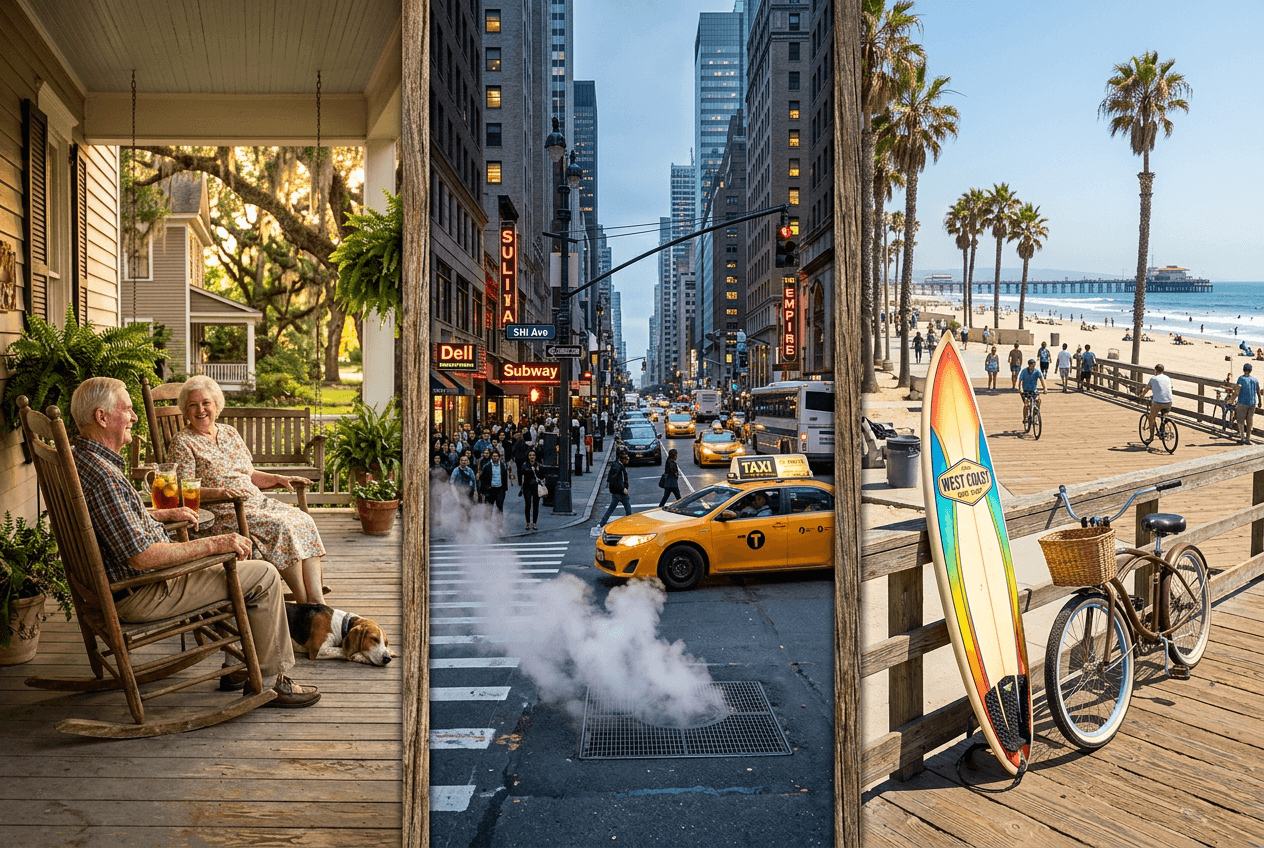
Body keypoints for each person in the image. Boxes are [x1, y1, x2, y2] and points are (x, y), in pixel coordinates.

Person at [69, 377, 319, 707]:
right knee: (263, 575)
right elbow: (143, 556)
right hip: (145, 589)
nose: (134, 417)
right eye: (127, 409)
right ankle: (272, 681)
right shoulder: (106, 477)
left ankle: (240, 665)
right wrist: (216, 544)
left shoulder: (83, 461)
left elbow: (114, 520)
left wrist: (158, 514)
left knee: (244, 566)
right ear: (102, 417)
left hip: (120, 585)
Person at [168, 375, 327, 606]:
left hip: (256, 502)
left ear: (216, 405)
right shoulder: (183, 442)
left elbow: (249, 474)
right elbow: (184, 490)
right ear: (185, 410)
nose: (200, 410)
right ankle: (305, 606)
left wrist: (278, 479)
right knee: (281, 526)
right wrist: (222, 493)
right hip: (222, 513)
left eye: (205, 403)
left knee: (303, 520)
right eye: (193, 405)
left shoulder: (229, 432)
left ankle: (317, 601)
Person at [1138, 363, 1174, 437]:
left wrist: (1141, 395)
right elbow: (1170, 388)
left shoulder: (1153, 378)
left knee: (1151, 417)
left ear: (1156, 371)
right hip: (1169, 402)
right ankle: (1162, 429)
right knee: (1164, 415)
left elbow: (1146, 389)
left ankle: (1151, 437)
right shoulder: (1168, 378)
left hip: (1158, 402)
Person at [599, 450, 632, 526]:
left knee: (612, 508)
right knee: (627, 507)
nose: (627, 461)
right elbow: (617, 479)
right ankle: (630, 521)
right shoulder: (618, 467)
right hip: (620, 492)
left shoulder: (617, 465)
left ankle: (603, 522)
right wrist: (623, 488)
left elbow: (612, 478)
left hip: (617, 491)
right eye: (626, 459)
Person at [478, 449, 513, 518]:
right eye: (494, 456)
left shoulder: (503, 466)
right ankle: (487, 523)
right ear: (491, 457)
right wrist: (484, 490)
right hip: (490, 490)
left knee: (500, 508)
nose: (495, 457)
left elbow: (504, 477)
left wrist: (504, 489)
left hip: (500, 489)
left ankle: (499, 523)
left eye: (496, 456)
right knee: (488, 509)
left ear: (499, 457)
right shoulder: (486, 466)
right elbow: (483, 479)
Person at [1235, 362, 1260, 445]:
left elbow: (1237, 390)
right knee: (1250, 421)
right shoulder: (1254, 379)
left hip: (1242, 402)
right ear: (1250, 370)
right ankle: (1248, 438)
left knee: (1240, 420)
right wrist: (1260, 401)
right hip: (1252, 403)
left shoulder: (1241, 379)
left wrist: (1232, 399)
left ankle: (1242, 437)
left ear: (1243, 370)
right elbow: (1258, 391)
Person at [519, 449, 545, 531]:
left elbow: (542, 475)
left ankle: (534, 523)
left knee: (536, 505)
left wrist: (536, 470)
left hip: (536, 487)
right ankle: (528, 522)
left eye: (533, 455)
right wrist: (532, 470)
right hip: (527, 486)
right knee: (528, 504)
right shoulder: (525, 465)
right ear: (528, 456)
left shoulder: (538, 465)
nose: (532, 457)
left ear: (535, 456)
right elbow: (523, 472)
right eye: (530, 455)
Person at [1018, 359, 1046, 424]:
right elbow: (1020, 381)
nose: (1032, 366)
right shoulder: (1024, 371)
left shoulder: (1037, 371)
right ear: (1029, 365)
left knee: (1038, 400)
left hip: (1034, 390)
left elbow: (1042, 380)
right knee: (1026, 404)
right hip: (1026, 390)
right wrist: (1020, 389)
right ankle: (1025, 418)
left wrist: (1045, 388)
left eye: (1033, 365)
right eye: (1030, 365)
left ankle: (1036, 414)